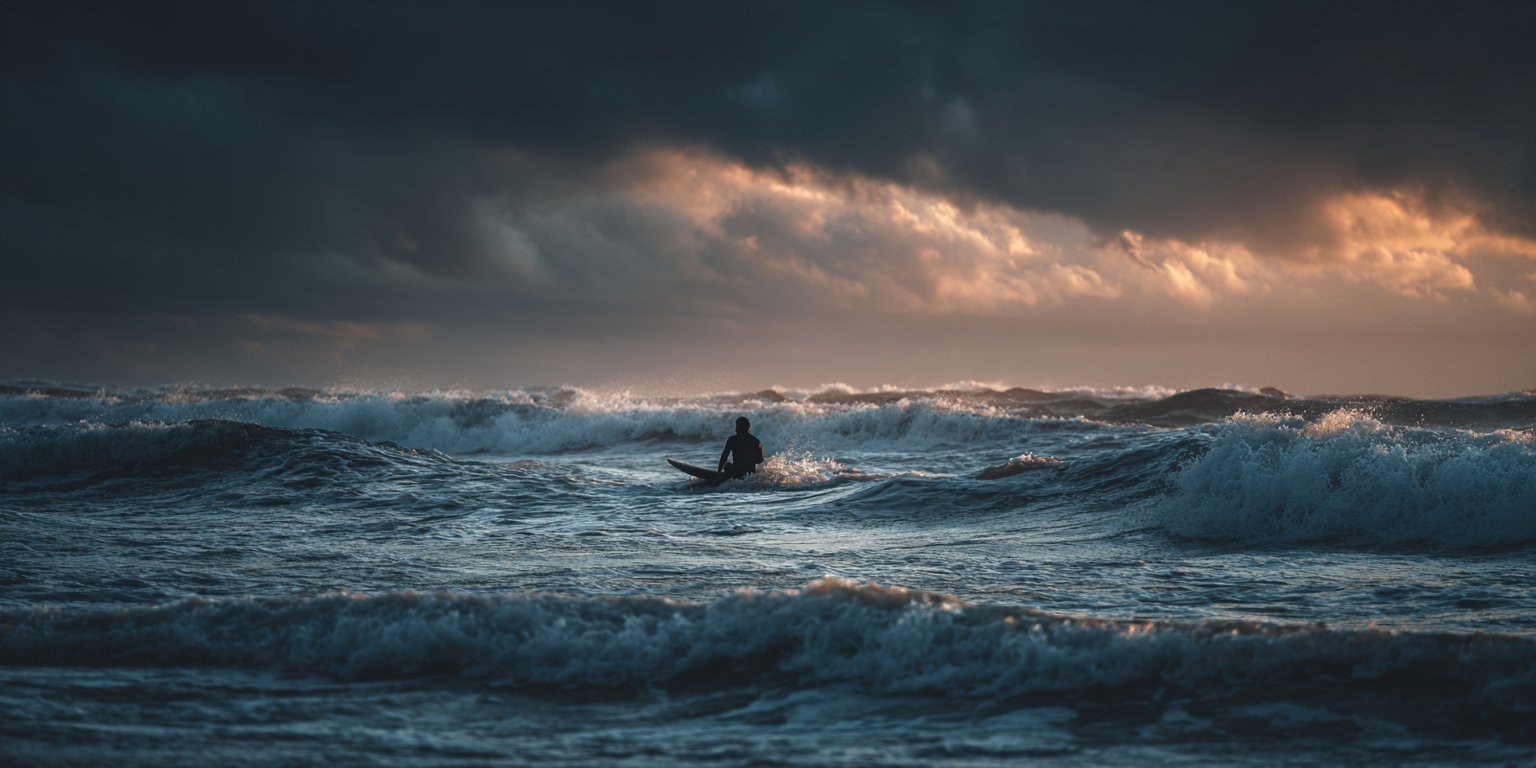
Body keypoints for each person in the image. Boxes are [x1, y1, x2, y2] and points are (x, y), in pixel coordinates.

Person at [717, 416, 765, 481]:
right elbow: (760, 460)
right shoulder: (757, 441)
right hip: (750, 474)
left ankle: (725, 478)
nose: (735, 428)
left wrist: (718, 472)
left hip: (737, 472)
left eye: (736, 426)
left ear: (738, 427)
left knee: (727, 465)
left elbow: (724, 457)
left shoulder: (732, 439)